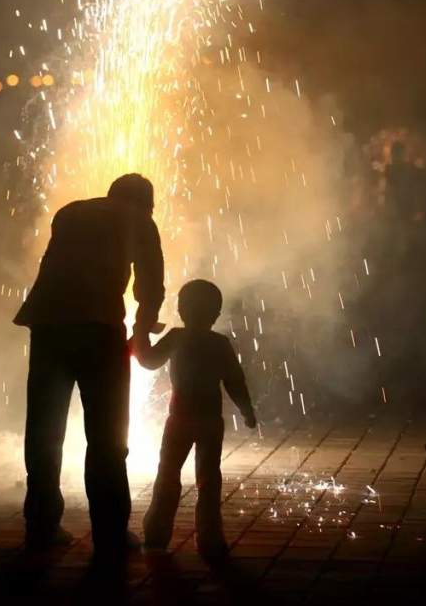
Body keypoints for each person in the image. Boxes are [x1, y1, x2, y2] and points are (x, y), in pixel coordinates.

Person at [14, 173, 165, 556]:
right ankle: (110, 533)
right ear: (146, 203)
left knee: (45, 430)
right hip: (99, 329)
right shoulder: (140, 221)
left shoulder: (70, 212)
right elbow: (150, 286)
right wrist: (141, 333)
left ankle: (41, 524)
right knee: (107, 436)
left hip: (48, 326)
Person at [132, 279, 257, 559]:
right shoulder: (219, 343)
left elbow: (149, 361)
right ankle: (210, 537)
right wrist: (246, 410)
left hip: (179, 418)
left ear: (181, 309)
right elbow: (235, 381)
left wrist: (139, 336)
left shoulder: (176, 337)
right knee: (209, 478)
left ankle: (156, 534)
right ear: (216, 313)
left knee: (167, 473)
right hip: (210, 421)